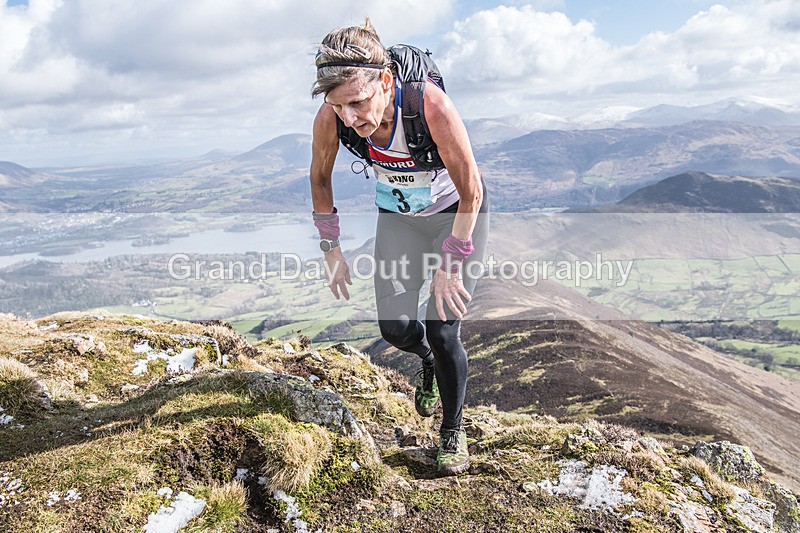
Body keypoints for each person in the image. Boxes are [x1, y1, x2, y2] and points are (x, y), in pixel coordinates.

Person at [309, 19, 489, 476]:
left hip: (457, 217)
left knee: (444, 329)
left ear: (385, 81)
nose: (351, 118)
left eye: (358, 103)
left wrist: (452, 261)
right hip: (400, 221)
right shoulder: (332, 116)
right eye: (339, 106)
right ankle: (425, 362)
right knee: (395, 328)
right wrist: (331, 248)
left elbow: (472, 191)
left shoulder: (429, 105)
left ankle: (452, 430)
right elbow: (320, 178)